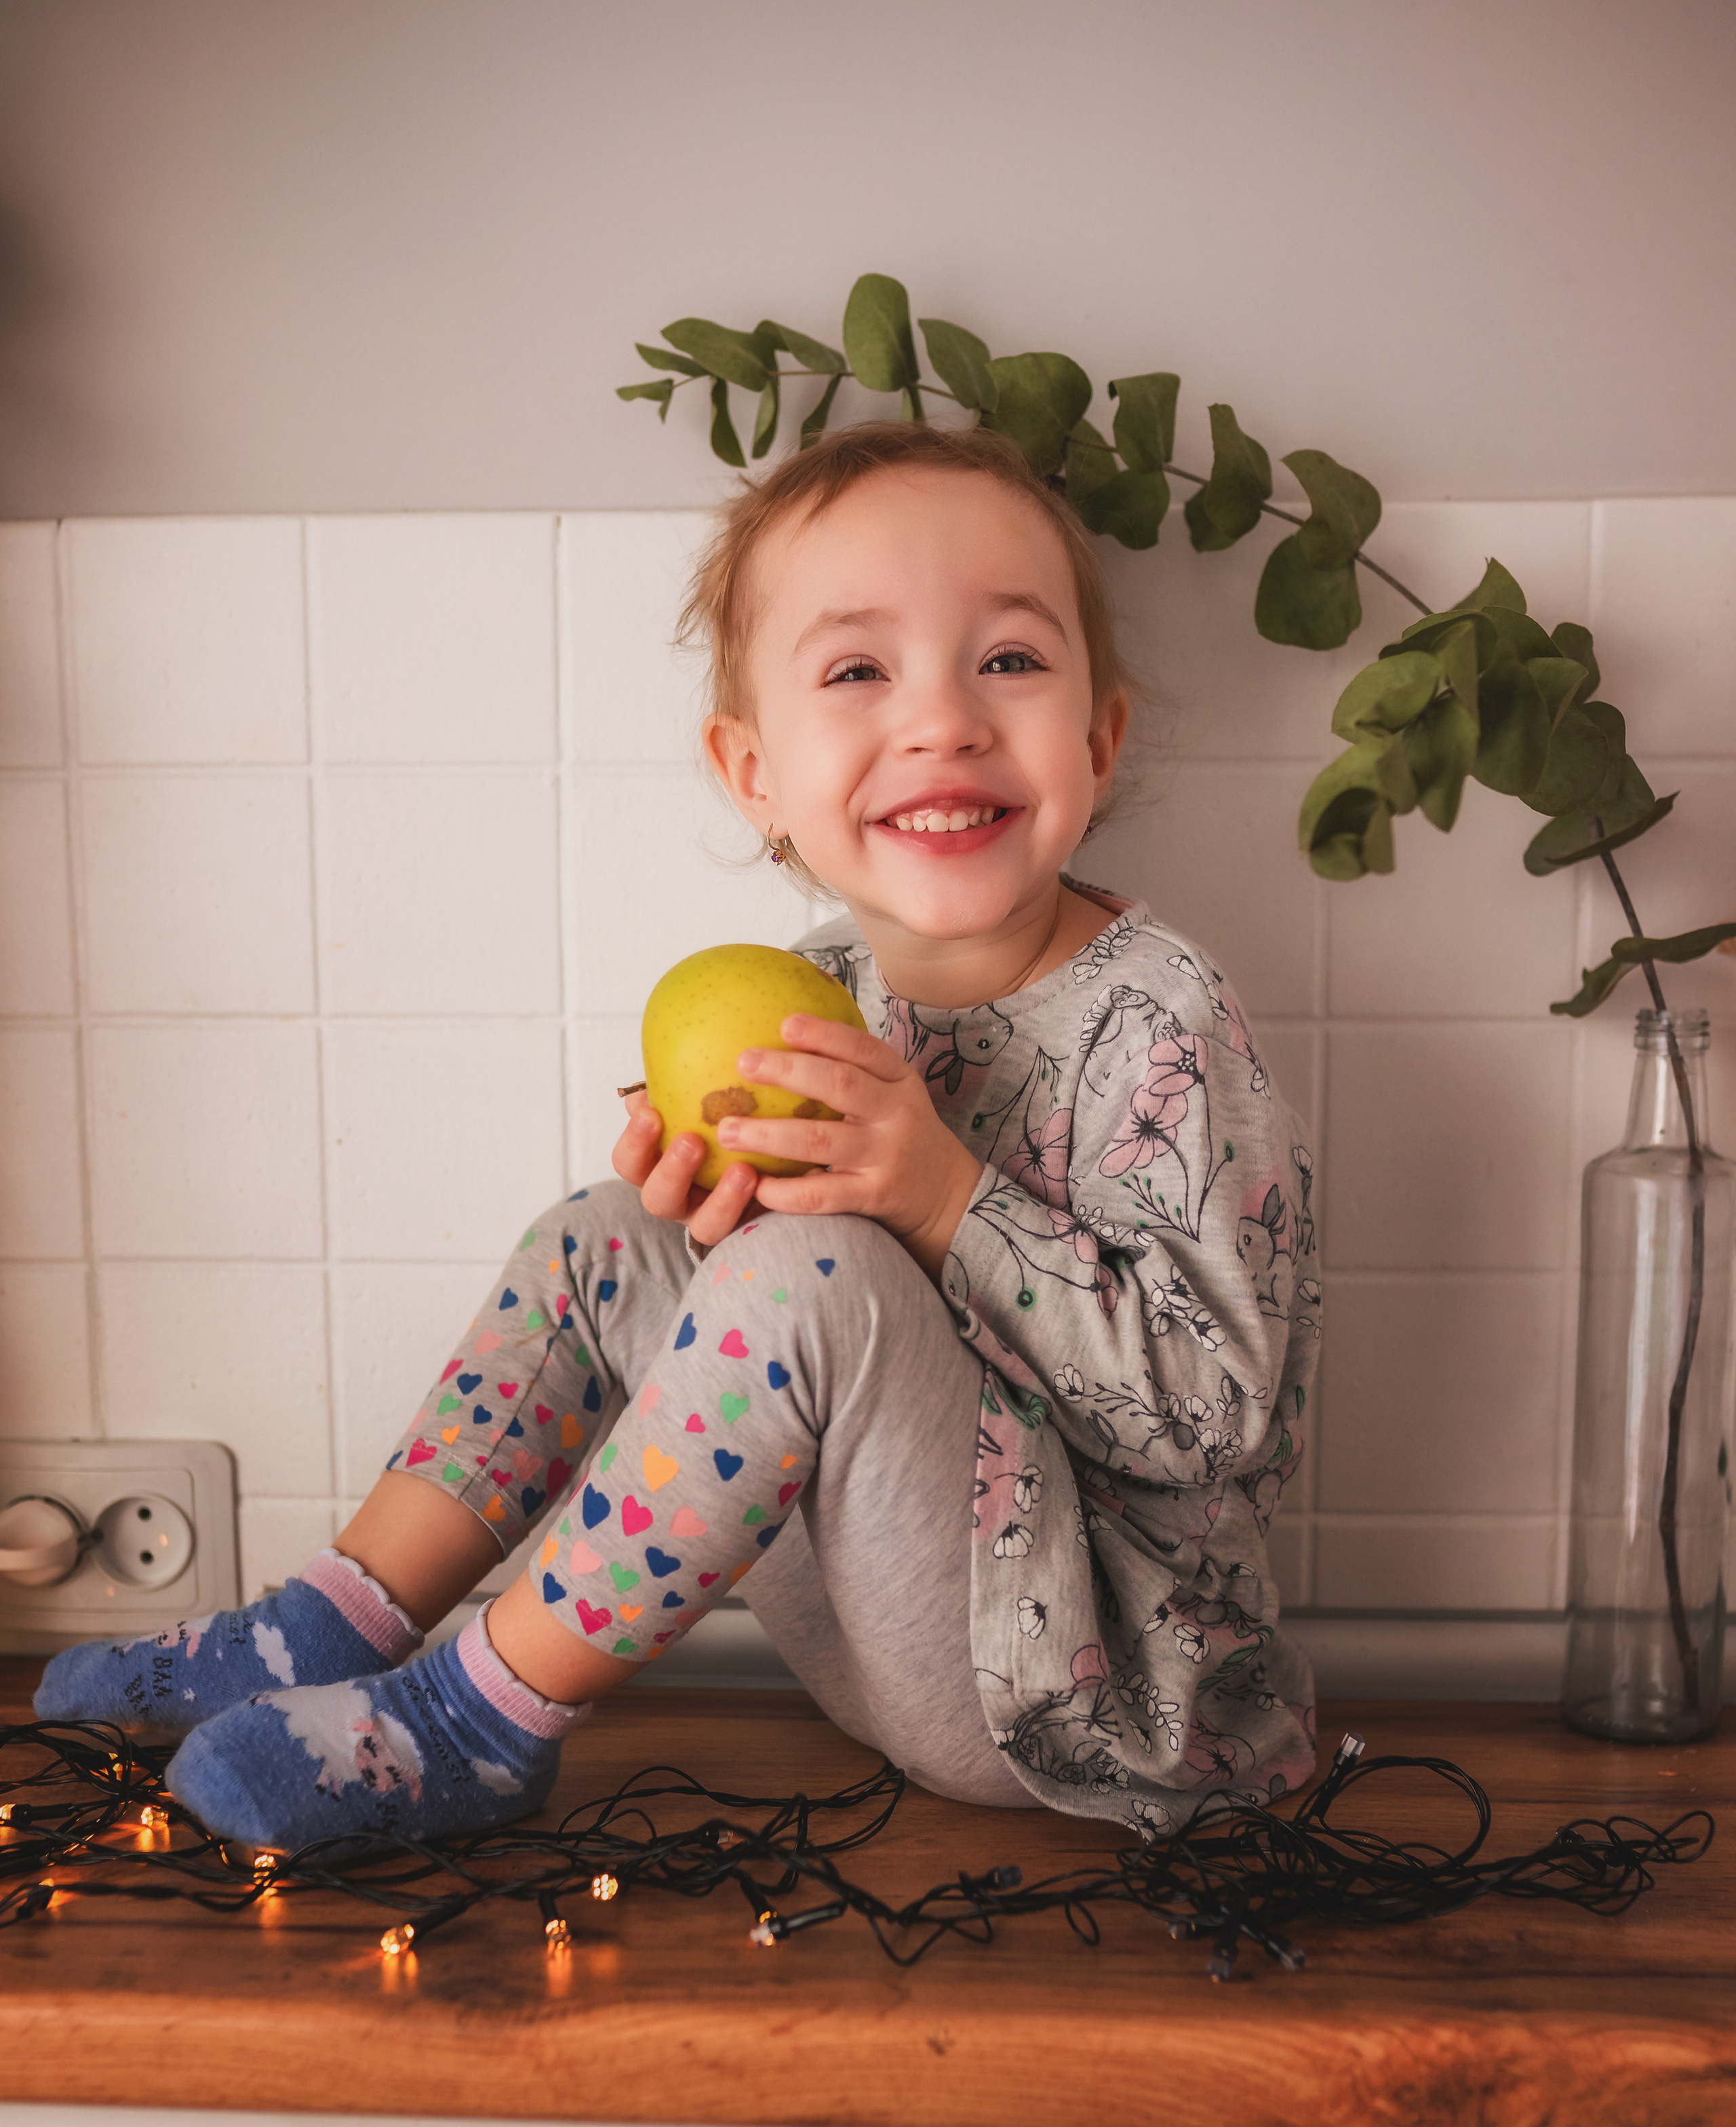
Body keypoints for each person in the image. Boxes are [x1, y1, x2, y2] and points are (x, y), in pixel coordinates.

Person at [38, 421, 1320, 1848]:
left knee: (807, 1276)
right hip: (876, 1634)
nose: (942, 718)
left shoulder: (1162, 1021)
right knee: (605, 1232)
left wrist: (943, 1195)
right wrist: (702, 1197)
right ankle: (326, 1626)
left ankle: (480, 1721)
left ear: (1098, 733)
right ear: (753, 771)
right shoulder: (823, 989)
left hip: (1091, 1697)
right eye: (855, 671)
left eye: (1007, 660)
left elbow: (1220, 1422)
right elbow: (773, 1333)